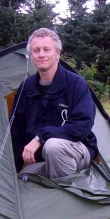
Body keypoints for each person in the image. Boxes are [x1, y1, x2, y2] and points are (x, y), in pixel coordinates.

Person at [10, 28, 97, 179]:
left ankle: (69, 194)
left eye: (46, 49)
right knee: (22, 181)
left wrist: (40, 137)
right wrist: (15, 167)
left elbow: (82, 127)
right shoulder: (27, 87)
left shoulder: (75, 84)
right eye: (36, 50)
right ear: (31, 55)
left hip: (75, 150)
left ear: (57, 53)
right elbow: (16, 131)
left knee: (53, 146)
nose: (41, 54)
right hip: (41, 158)